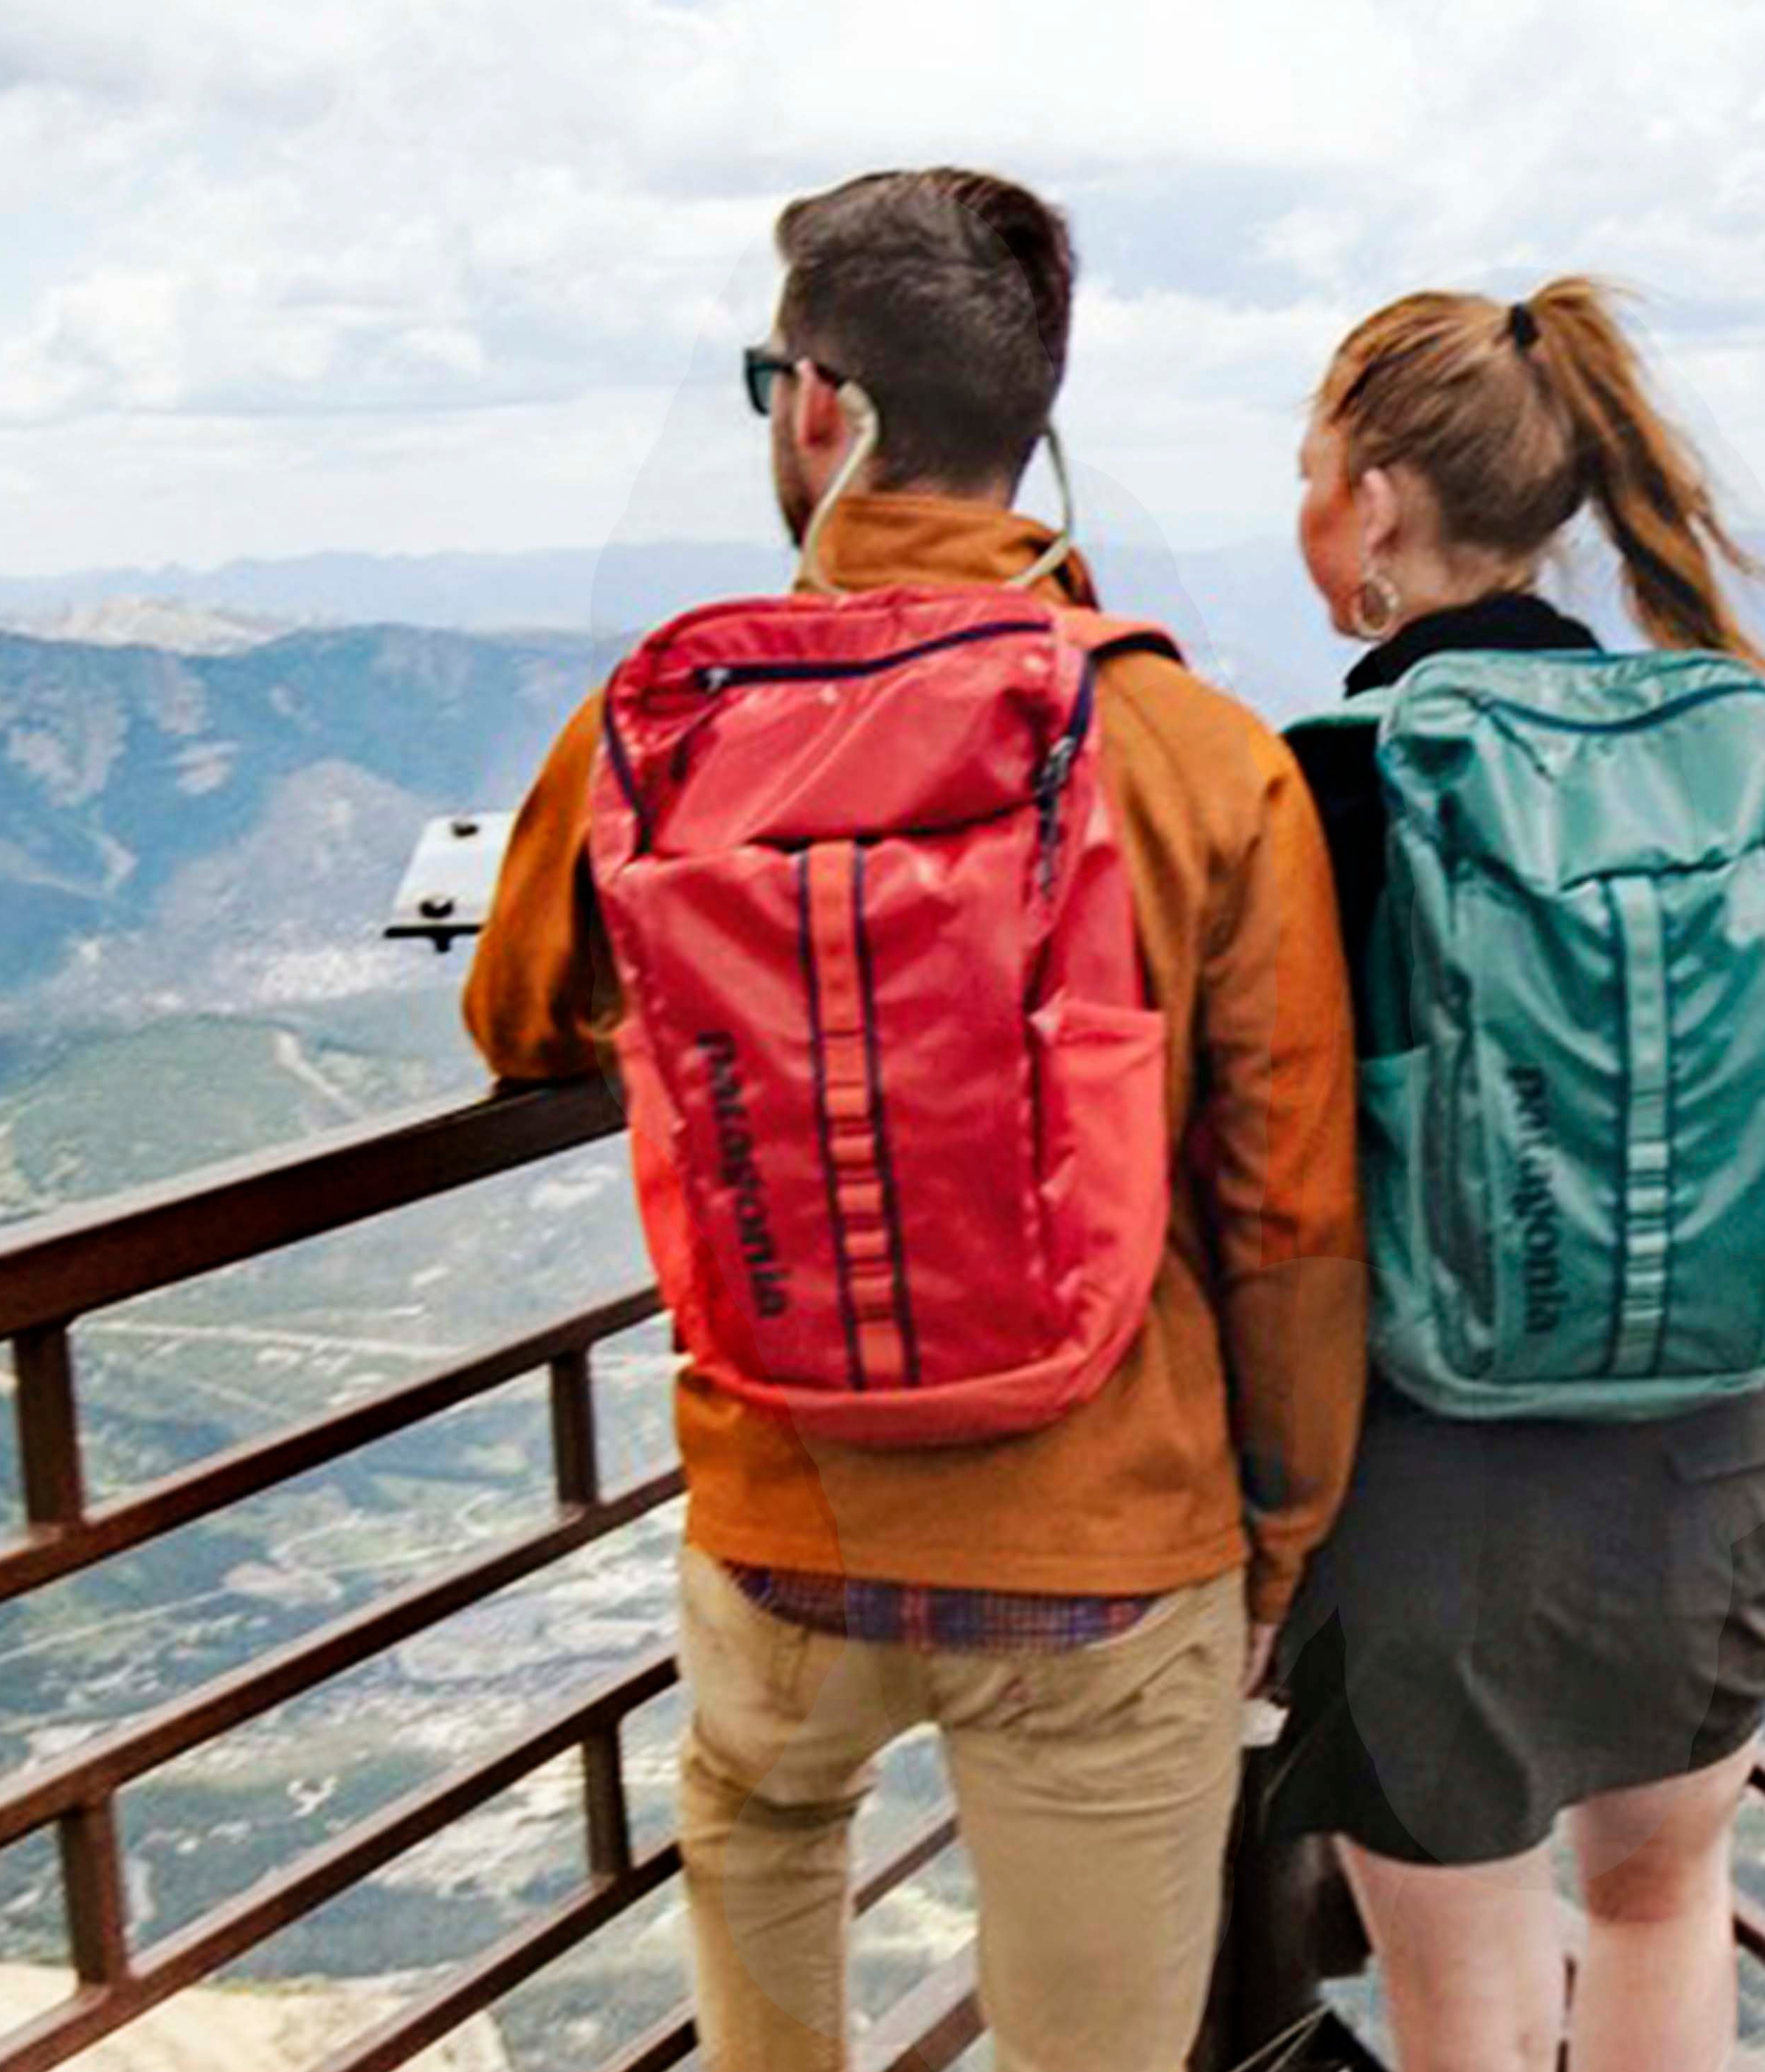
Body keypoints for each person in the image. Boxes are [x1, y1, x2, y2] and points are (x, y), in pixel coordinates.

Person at [466, 168, 1367, 2072]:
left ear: (817, 403)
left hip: (779, 1507)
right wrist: (1269, 1546)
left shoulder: (654, 723)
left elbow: (518, 1016)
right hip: (1112, 1540)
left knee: (762, 1821)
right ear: (1023, 419)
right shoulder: (1195, 754)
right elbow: (1284, 1211)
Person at [1266, 281, 1765, 2072]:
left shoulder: (1326, 783)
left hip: (1423, 1474)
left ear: (1369, 503)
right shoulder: (1738, 743)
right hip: (1702, 1454)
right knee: (1663, 1908)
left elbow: (1256, 1163)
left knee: (1458, 1991)